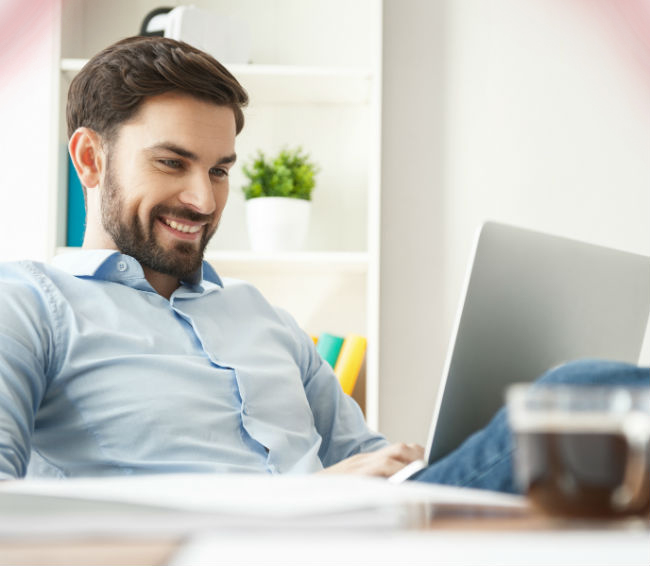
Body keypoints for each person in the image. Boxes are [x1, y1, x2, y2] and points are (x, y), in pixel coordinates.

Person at [0, 37, 647, 489]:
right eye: (172, 163)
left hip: (366, 539)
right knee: (586, 397)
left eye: (220, 170)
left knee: (606, 443)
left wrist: (408, 467)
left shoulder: (263, 319)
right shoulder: (29, 305)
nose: (202, 199)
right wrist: (302, 503)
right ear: (89, 159)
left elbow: (363, 461)